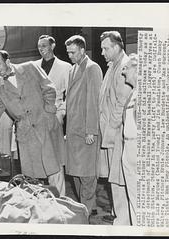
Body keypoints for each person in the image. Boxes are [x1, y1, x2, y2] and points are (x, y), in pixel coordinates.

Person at [0, 50, 66, 196]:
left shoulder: (30, 67)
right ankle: (43, 210)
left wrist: (49, 112)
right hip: (26, 135)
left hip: (46, 126)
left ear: (8, 62)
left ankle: (62, 206)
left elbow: (49, 88)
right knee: (33, 178)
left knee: (55, 170)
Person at [64, 35, 102, 216]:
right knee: (76, 174)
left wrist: (91, 131)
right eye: (68, 52)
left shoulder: (92, 68)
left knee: (86, 175)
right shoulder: (73, 69)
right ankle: (86, 207)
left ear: (82, 50)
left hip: (86, 131)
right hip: (73, 131)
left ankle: (86, 212)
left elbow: (94, 102)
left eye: (72, 52)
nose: (69, 55)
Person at [99, 31, 132, 225]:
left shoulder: (125, 66)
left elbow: (121, 105)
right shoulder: (113, 66)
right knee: (114, 178)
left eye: (106, 48)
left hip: (117, 134)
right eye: (102, 48)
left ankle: (123, 222)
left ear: (117, 46)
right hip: (110, 134)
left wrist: (111, 134)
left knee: (119, 180)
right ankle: (120, 216)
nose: (102, 52)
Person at [34, 35, 71, 126]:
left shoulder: (65, 67)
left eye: (44, 46)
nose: (41, 49)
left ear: (52, 46)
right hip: (36, 117)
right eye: (39, 46)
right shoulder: (34, 66)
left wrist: (62, 112)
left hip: (55, 116)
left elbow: (70, 94)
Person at [121, 53, 138, 226]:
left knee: (141, 196)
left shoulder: (146, 92)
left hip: (138, 148)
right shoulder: (132, 93)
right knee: (132, 196)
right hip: (128, 147)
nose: (124, 71)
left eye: (128, 67)